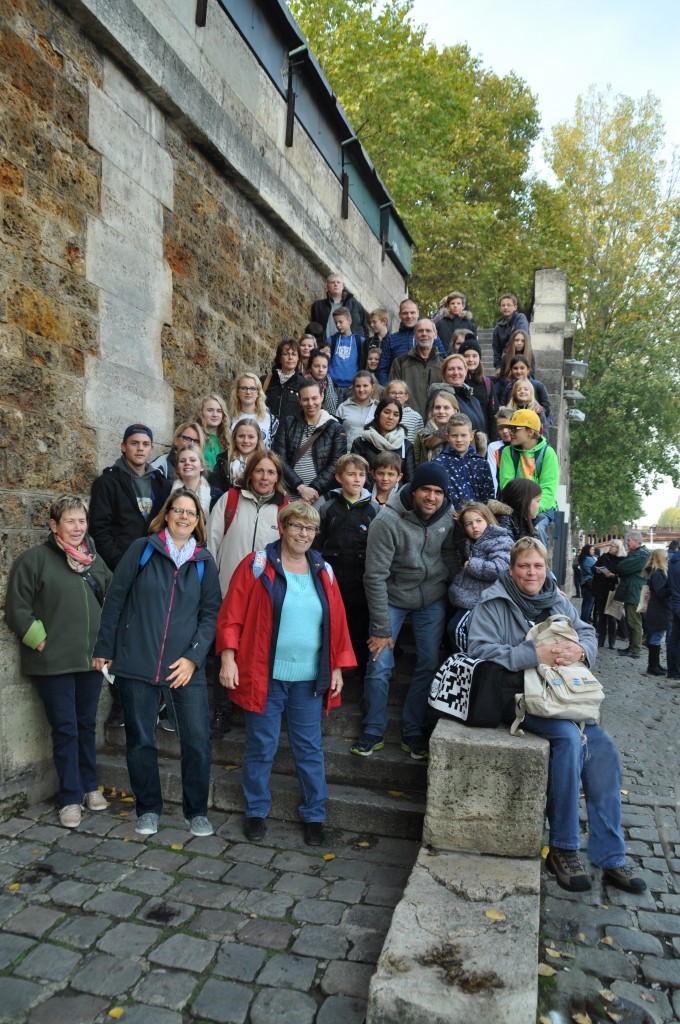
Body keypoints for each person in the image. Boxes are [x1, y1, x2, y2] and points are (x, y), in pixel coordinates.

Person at [467, 537, 646, 895]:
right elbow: (479, 649)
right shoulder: (494, 601)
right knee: (566, 739)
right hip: (518, 696)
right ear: (512, 568)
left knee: (604, 751)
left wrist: (580, 648)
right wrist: (536, 653)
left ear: (546, 567)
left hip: (562, 696)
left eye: (538, 565)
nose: (532, 573)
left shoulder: (559, 599)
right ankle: (563, 849)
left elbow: (588, 632)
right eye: (524, 566)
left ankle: (610, 857)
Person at [216, 500, 355, 845]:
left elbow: (336, 622)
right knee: (261, 746)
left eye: (310, 529)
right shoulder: (257, 565)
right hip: (266, 676)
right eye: (297, 526)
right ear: (283, 527)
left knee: (309, 748)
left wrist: (336, 666)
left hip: (308, 679)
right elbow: (231, 614)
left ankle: (314, 815)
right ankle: (256, 811)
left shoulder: (323, 570)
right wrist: (228, 659)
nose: (303, 534)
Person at [93, 489, 221, 837]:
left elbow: (210, 616)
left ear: (198, 522)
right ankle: (148, 807)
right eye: (178, 510)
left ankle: (196, 811)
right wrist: (104, 648)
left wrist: (194, 658)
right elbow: (115, 600)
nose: (184, 517)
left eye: (191, 513)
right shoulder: (143, 549)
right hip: (137, 661)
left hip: (184, 667)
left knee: (196, 740)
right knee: (140, 740)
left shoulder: (204, 562)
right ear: (166, 514)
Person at [5, 496, 112, 829]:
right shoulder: (34, 560)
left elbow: (110, 601)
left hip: (90, 661)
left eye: (82, 521)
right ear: (54, 525)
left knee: (86, 725)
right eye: (70, 521)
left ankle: (90, 786)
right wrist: (40, 641)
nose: (77, 528)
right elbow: (17, 608)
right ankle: (69, 796)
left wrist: (106, 646)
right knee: (65, 729)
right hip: (52, 663)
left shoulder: (95, 562)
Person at [352, 462, 457, 760]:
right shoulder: (387, 521)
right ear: (413, 490)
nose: (432, 497)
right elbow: (374, 577)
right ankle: (373, 728)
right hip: (392, 597)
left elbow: (449, 553)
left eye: (438, 492)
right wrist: (382, 629)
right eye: (426, 489)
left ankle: (413, 729)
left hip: (431, 599)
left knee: (427, 663)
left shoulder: (449, 516)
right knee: (379, 663)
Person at [89, 423, 166, 727]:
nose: (140, 449)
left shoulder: (160, 483)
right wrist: (124, 565)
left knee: (153, 632)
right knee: (120, 636)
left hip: (155, 570)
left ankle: (158, 699)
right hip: (120, 569)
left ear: (150, 448)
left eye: (146, 444)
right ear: (123, 446)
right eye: (134, 443)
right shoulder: (108, 482)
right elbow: (100, 529)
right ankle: (121, 702)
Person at [207, 451, 289, 737]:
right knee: (224, 650)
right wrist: (210, 587)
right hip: (227, 589)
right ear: (250, 473)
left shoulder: (284, 509)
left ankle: (252, 705)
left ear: (278, 477)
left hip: (265, 598)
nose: (265, 477)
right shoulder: (229, 500)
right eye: (260, 471)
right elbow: (212, 543)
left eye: (271, 473)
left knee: (257, 651)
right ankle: (222, 710)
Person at [318, 454, 379, 683]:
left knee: (360, 629)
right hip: (334, 582)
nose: (356, 479)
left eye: (361, 475)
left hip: (362, 583)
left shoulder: (374, 510)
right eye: (351, 474)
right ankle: (329, 672)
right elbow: (317, 545)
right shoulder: (328, 508)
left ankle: (358, 674)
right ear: (338, 477)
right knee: (331, 627)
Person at [273, 380, 347, 506]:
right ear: (299, 400)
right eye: (306, 399)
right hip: (288, 492)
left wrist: (312, 490)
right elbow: (278, 458)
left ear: (322, 396)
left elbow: (336, 464)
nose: (311, 403)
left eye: (314, 398)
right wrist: (300, 487)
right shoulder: (288, 423)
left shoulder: (335, 428)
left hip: (319, 496)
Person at [447, 502, 513, 642]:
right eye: (468, 524)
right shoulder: (472, 541)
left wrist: (471, 565)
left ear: (488, 520)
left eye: (479, 521)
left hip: (483, 598)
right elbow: (458, 541)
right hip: (465, 595)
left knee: (456, 629)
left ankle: (467, 660)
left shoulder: (500, 540)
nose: (474, 526)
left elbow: (499, 569)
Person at [498, 409, 559, 549]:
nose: (509, 432)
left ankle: (541, 567)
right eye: (509, 428)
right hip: (515, 506)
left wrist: (532, 510)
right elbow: (507, 485)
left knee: (537, 530)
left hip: (541, 507)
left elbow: (548, 491)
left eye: (515, 428)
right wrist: (523, 508)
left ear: (530, 432)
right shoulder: (508, 452)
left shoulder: (548, 453)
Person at [432, 413, 495, 511]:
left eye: (463, 435)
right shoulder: (438, 463)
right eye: (454, 436)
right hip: (449, 517)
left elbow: (488, 496)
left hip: (477, 518)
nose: (459, 440)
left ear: (471, 436)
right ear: (447, 437)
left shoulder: (481, 463)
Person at [377, 299, 446, 385]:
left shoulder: (431, 337)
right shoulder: (391, 340)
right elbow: (383, 369)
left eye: (412, 312)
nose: (409, 316)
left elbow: (445, 363)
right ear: (399, 315)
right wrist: (388, 390)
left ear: (418, 313)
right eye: (405, 313)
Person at [350, 397, 415, 486]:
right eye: (386, 412)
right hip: (365, 495)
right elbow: (354, 474)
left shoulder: (406, 446)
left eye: (396, 414)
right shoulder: (361, 442)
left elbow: (409, 480)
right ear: (378, 414)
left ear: (399, 419)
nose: (391, 417)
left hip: (396, 497)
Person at [388, 318, 443, 420]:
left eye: (428, 331)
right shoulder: (400, 362)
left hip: (435, 422)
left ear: (435, 335)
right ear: (415, 335)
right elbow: (392, 395)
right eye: (420, 331)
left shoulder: (443, 365)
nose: (424, 334)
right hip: (407, 421)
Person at [427, 354, 486, 434]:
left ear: (465, 372)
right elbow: (433, 430)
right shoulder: (439, 397)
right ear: (444, 374)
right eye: (451, 369)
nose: (456, 372)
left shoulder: (473, 400)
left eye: (460, 368)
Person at [615, 531, 650, 660]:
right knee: (633, 620)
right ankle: (632, 647)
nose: (627, 542)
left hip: (635, 591)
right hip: (634, 589)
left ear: (636, 541)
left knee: (634, 621)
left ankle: (635, 649)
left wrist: (620, 567)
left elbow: (623, 567)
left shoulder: (640, 554)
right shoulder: (640, 553)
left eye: (629, 540)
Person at [458, 338, 499, 440]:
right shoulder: (456, 383)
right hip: (460, 436)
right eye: (466, 356)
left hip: (482, 437)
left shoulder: (487, 384)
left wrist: (492, 441)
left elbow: (493, 415)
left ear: (479, 358)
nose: (471, 359)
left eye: (474, 356)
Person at [210, 418, 265, 494]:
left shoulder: (267, 462)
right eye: (241, 436)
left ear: (258, 439)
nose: (246, 441)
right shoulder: (223, 460)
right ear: (235, 438)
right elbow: (214, 490)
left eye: (251, 437)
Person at [170, 444, 221, 521]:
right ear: (177, 469)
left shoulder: (217, 497)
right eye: (182, 461)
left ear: (202, 466)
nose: (187, 463)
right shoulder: (166, 493)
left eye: (192, 460)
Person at [311, 272, 368, 340]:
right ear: (327, 287)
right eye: (332, 282)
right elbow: (313, 329)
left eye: (338, 282)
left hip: (351, 346)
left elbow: (365, 329)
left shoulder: (355, 305)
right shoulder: (318, 306)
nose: (335, 284)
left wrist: (363, 346)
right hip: (326, 347)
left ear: (343, 286)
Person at [591, 540, 626, 649]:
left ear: (618, 548)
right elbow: (593, 567)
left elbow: (623, 575)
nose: (610, 547)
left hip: (613, 590)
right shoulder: (604, 557)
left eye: (612, 546)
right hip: (601, 589)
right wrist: (597, 570)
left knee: (612, 617)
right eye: (610, 546)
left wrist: (613, 575)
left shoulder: (623, 560)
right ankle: (601, 639)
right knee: (602, 616)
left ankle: (612, 641)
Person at [262, 339, 307, 423]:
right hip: (267, 431)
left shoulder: (303, 384)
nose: (290, 357)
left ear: (298, 359)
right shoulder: (265, 381)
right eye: (286, 354)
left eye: (294, 354)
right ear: (279, 357)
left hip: (291, 433)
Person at [229, 372, 277, 448]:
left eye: (252, 388)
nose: (248, 392)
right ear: (237, 392)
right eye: (243, 388)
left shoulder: (271, 420)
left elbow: (275, 451)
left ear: (258, 392)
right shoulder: (229, 419)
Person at [327, 305, 367, 397]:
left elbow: (363, 363)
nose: (338, 325)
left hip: (352, 387)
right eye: (336, 322)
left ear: (350, 321)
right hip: (333, 386)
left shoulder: (360, 341)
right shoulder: (331, 340)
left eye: (340, 322)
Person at [642, 549, 670, 676]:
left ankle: (655, 664)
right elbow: (660, 592)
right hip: (658, 609)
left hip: (658, 608)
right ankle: (652, 666)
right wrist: (670, 587)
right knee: (656, 637)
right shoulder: (657, 573)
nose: (668, 559)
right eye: (666, 557)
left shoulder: (655, 572)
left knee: (657, 637)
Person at [498, 356, 552, 423]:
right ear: (511, 370)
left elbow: (547, 408)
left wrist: (536, 411)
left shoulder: (538, 386)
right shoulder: (509, 387)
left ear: (528, 369)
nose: (519, 371)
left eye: (522, 368)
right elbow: (503, 405)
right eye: (515, 368)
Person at [413, 389, 460, 465]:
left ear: (455, 411)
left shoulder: (463, 434)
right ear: (432, 411)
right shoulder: (421, 436)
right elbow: (417, 466)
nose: (441, 411)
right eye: (437, 407)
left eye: (446, 408)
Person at [336, 370, 379, 448]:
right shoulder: (343, 407)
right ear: (353, 387)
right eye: (358, 386)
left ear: (372, 387)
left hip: (371, 455)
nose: (361, 389)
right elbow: (336, 433)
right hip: (347, 455)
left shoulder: (378, 408)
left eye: (365, 386)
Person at [491, 293, 530, 379]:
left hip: (522, 355)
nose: (505, 307)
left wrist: (506, 350)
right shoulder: (498, 327)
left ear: (515, 307)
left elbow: (520, 336)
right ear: (500, 308)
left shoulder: (520, 318)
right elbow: (496, 349)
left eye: (509, 305)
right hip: (506, 361)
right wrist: (497, 366)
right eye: (503, 305)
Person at [494, 479, 542, 543]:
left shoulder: (528, 522)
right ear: (524, 501)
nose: (539, 506)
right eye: (537, 501)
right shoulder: (504, 522)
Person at [195, 393, 230, 473]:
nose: (215, 415)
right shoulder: (194, 437)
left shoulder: (228, 439)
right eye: (210, 410)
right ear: (201, 412)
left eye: (219, 411)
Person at [487, 407, 514, 493]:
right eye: (500, 428)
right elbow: (492, 475)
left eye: (508, 427)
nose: (505, 431)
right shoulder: (493, 447)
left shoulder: (524, 445)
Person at [305, 348, 339, 415]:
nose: (321, 370)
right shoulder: (302, 383)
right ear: (310, 368)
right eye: (317, 366)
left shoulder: (331, 384)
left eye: (324, 367)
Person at [577, 544, 597, 624]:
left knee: (585, 602)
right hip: (590, 582)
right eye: (592, 549)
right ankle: (585, 620)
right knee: (589, 603)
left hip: (584, 582)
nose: (593, 551)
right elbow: (594, 570)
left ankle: (584, 618)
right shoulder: (589, 559)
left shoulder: (583, 557)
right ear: (587, 550)